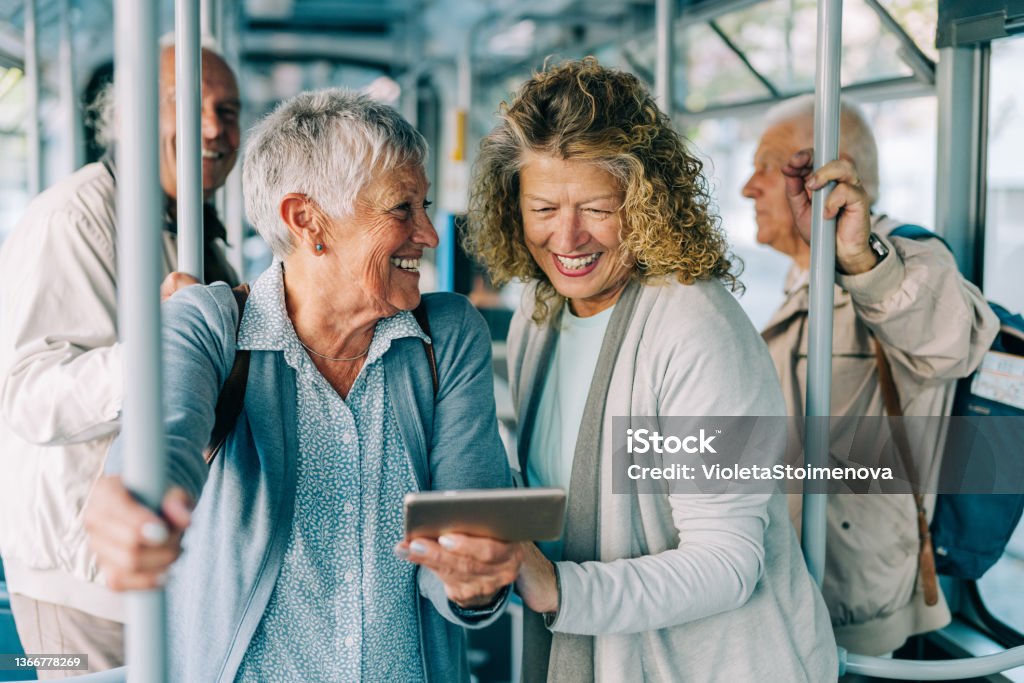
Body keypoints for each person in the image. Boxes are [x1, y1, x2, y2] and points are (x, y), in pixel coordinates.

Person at [84, 88, 521, 682]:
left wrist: (474, 583)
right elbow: (161, 441)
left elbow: (467, 533)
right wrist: (136, 501)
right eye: (402, 209)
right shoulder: (207, 325)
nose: (429, 233)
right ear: (306, 219)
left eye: (424, 206)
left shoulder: (446, 335)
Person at [462, 57, 838, 682]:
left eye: (596, 209)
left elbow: (727, 562)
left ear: (645, 204)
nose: (568, 238)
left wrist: (556, 586)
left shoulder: (695, 326)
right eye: (544, 208)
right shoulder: (539, 312)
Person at [0, 41, 241, 676]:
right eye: (187, 105)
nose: (213, 129)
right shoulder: (74, 218)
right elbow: (30, 394)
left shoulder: (193, 226)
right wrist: (168, 348)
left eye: (228, 112)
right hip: (80, 583)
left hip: (157, 567)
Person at [741, 95, 999, 656]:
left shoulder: (900, 257)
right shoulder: (802, 275)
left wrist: (860, 260)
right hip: (794, 582)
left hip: (851, 600)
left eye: (767, 166)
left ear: (827, 175)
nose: (748, 188)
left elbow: (947, 340)